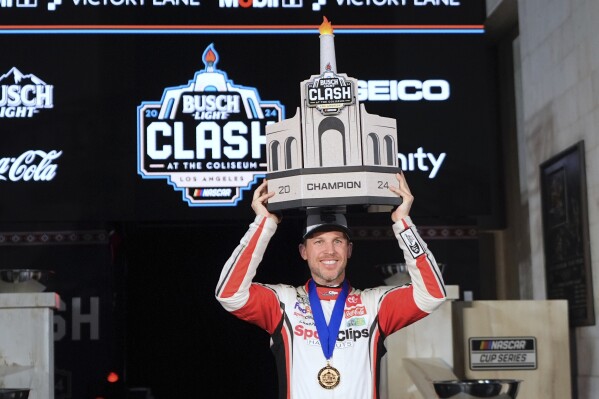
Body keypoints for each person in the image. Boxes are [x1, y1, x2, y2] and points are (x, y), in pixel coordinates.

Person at [215, 172, 447, 399]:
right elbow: (229, 293)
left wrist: (403, 223)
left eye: (338, 241)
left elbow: (432, 294)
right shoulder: (284, 302)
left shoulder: (374, 304)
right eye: (318, 242)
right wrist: (263, 225)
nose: (329, 251)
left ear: (349, 250)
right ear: (303, 252)